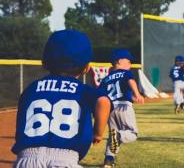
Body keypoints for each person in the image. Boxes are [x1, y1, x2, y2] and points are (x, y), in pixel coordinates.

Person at [11, 29, 111, 167]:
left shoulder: (31, 89)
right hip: (65, 158)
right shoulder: (82, 90)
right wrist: (98, 133)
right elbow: (103, 101)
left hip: (27, 158)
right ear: (87, 67)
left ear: (44, 63)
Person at [99, 49, 145, 168]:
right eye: (128, 61)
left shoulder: (106, 78)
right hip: (124, 106)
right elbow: (131, 82)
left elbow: (100, 96)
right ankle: (118, 136)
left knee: (112, 137)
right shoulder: (125, 73)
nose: (130, 64)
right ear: (119, 61)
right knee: (132, 133)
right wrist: (138, 94)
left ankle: (108, 161)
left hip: (110, 109)